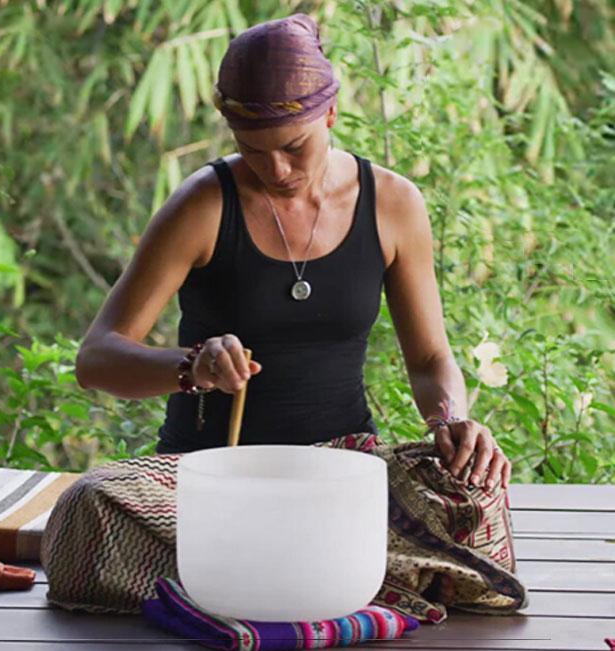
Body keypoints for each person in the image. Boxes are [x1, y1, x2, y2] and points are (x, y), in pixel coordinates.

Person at [75, 13, 511, 495]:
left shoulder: (393, 203)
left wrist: (451, 422)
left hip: (343, 475)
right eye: (252, 150)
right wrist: (193, 365)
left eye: (294, 146)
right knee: (89, 500)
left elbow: (430, 360)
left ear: (330, 114)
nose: (276, 169)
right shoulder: (203, 206)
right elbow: (96, 359)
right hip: (209, 477)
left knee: (474, 500)